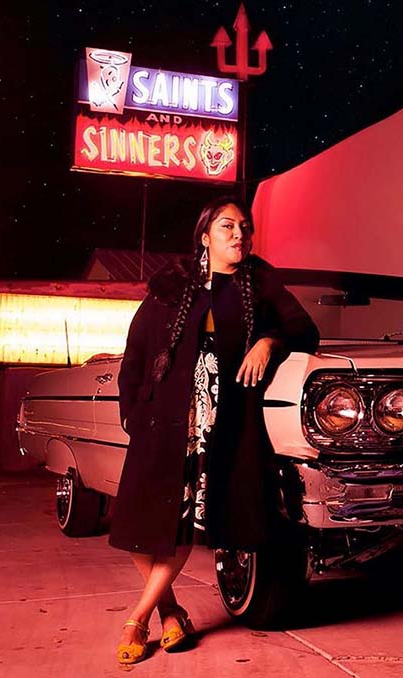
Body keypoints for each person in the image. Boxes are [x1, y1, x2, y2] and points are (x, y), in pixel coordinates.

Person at [110, 196, 319, 664]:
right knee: (142, 526)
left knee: (180, 525)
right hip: (161, 422)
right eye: (228, 227)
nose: (240, 235)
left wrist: (268, 340)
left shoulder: (260, 282)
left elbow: (306, 330)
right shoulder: (171, 284)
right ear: (205, 235)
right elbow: (136, 351)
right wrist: (131, 411)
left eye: (245, 227)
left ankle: (137, 618)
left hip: (219, 425)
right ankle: (171, 614)